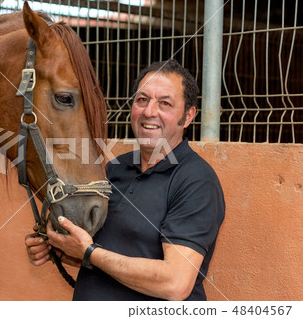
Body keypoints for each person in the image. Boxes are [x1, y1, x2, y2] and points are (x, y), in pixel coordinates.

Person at [25, 59, 225, 301]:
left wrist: (89, 252)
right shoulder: (115, 168)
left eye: (165, 103)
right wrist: (58, 249)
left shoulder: (196, 181)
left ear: (188, 116)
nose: (150, 111)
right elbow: (107, 254)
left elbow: (175, 283)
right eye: (142, 100)